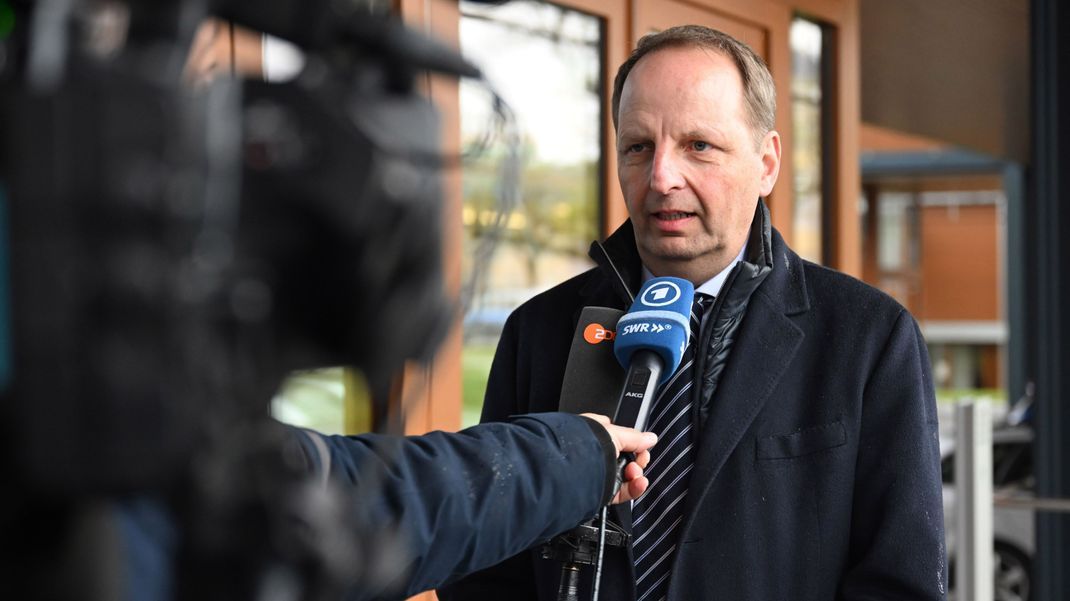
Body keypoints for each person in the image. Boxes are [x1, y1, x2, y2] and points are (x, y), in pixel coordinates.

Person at [439, 25, 945, 601]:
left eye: (698, 145)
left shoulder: (868, 336)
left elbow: (899, 580)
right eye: (638, 147)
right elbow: (487, 564)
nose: (662, 178)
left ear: (767, 163)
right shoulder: (539, 331)